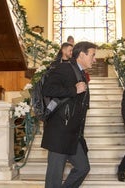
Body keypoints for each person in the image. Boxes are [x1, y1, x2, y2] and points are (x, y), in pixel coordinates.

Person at [41, 41, 97, 188]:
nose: (95, 59)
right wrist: (73, 90)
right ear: (82, 55)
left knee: (83, 168)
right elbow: (47, 89)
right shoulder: (64, 68)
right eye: (93, 55)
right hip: (59, 132)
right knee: (54, 178)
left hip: (73, 134)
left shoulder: (81, 74)